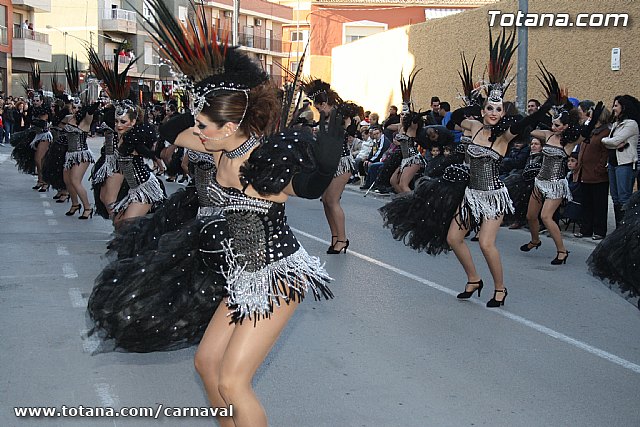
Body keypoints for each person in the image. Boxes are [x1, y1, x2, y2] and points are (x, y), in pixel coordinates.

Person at [94, 5, 342, 426]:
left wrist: (321, 168)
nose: (198, 131)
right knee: (207, 365)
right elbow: (172, 129)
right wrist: (207, 89)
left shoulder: (261, 158)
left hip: (278, 275)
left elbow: (301, 188)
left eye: (205, 124)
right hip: (242, 275)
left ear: (229, 128)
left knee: (233, 380)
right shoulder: (220, 144)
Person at [520, 65, 603, 265]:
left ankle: (562, 251)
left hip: (556, 184)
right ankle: (535, 240)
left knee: (546, 217)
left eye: (557, 125)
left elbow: (585, 133)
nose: (553, 127)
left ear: (566, 126)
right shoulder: (547, 135)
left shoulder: (569, 142)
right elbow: (529, 126)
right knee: (531, 216)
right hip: (540, 181)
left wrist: (593, 121)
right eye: (553, 124)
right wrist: (545, 109)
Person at [303, 79, 358, 254]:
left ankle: (342, 239)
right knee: (326, 201)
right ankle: (335, 237)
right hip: (328, 161)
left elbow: (351, 129)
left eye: (318, 106)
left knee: (333, 201)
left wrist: (350, 125)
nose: (317, 109)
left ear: (325, 103)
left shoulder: (341, 114)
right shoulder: (325, 117)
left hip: (341, 162)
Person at [601, 95, 639, 227]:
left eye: (616, 105)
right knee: (615, 198)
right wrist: (607, 141)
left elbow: (615, 141)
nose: (613, 108)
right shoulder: (616, 124)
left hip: (625, 164)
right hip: (612, 163)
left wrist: (609, 141)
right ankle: (619, 229)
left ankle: (625, 229)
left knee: (624, 198)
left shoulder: (631, 124)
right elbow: (610, 142)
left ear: (624, 107)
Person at [574, 107, 611, 240]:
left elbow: (605, 153)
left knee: (599, 204)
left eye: (591, 115)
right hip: (585, 173)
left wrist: (600, 169)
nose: (589, 117)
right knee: (587, 203)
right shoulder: (590, 131)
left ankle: (599, 231)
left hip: (597, 175)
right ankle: (586, 229)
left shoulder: (605, 132)